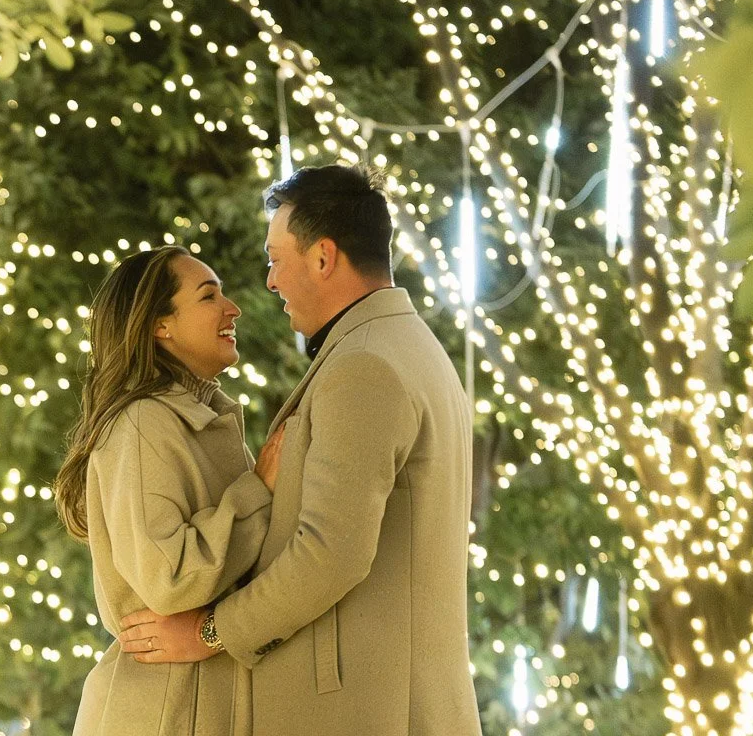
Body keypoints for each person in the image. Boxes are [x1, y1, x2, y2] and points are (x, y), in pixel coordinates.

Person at [117, 165, 482, 736]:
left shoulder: (364, 365)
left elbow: (329, 554)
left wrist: (209, 631)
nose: (268, 281)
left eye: (275, 258)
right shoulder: (407, 346)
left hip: (362, 711)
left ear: (322, 257)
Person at [55, 246, 278, 736]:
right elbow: (168, 576)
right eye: (208, 296)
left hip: (197, 703)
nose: (232, 308)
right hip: (162, 712)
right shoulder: (141, 424)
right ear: (161, 325)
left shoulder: (202, 421)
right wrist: (260, 487)